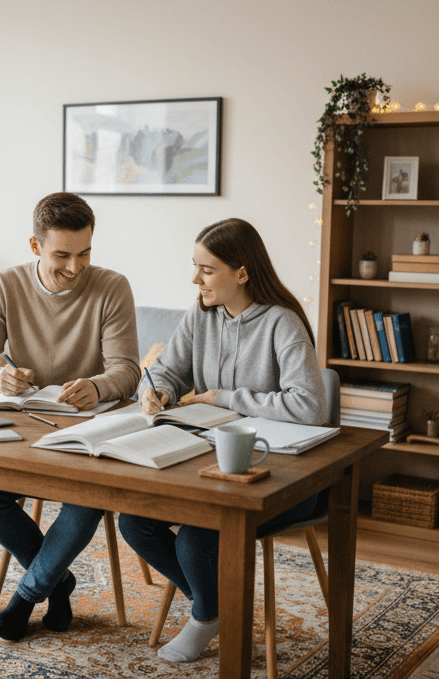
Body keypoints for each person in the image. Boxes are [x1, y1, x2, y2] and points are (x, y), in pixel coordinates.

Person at [118, 218, 326, 662]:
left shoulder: (282, 323)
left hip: (283, 479)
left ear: (243, 272)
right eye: (195, 267)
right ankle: (216, 609)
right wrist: (158, 391)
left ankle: (207, 618)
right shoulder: (201, 314)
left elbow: (309, 405)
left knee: (196, 537)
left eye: (206, 269)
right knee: (134, 521)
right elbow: (168, 370)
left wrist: (222, 397)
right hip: (210, 467)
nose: (195, 279)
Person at [0, 192, 141, 641]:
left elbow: (127, 370)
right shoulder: (5, 285)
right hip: (24, 429)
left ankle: (26, 597)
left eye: (85, 253)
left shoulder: (112, 286)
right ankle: (60, 581)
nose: (75, 267)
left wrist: (98, 386)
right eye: (62, 254)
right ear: (35, 245)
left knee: (85, 503)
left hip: (88, 432)